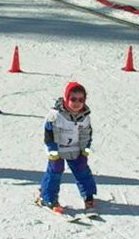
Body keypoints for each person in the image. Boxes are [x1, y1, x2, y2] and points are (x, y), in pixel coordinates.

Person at [37, 82, 97, 213]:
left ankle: (88, 196)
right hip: (57, 149)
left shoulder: (84, 116)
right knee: (55, 171)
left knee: (82, 169)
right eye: (73, 99)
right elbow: (49, 133)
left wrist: (85, 149)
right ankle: (48, 197)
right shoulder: (56, 115)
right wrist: (52, 150)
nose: (77, 103)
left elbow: (86, 133)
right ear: (66, 98)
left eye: (81, 100)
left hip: (75, 148)